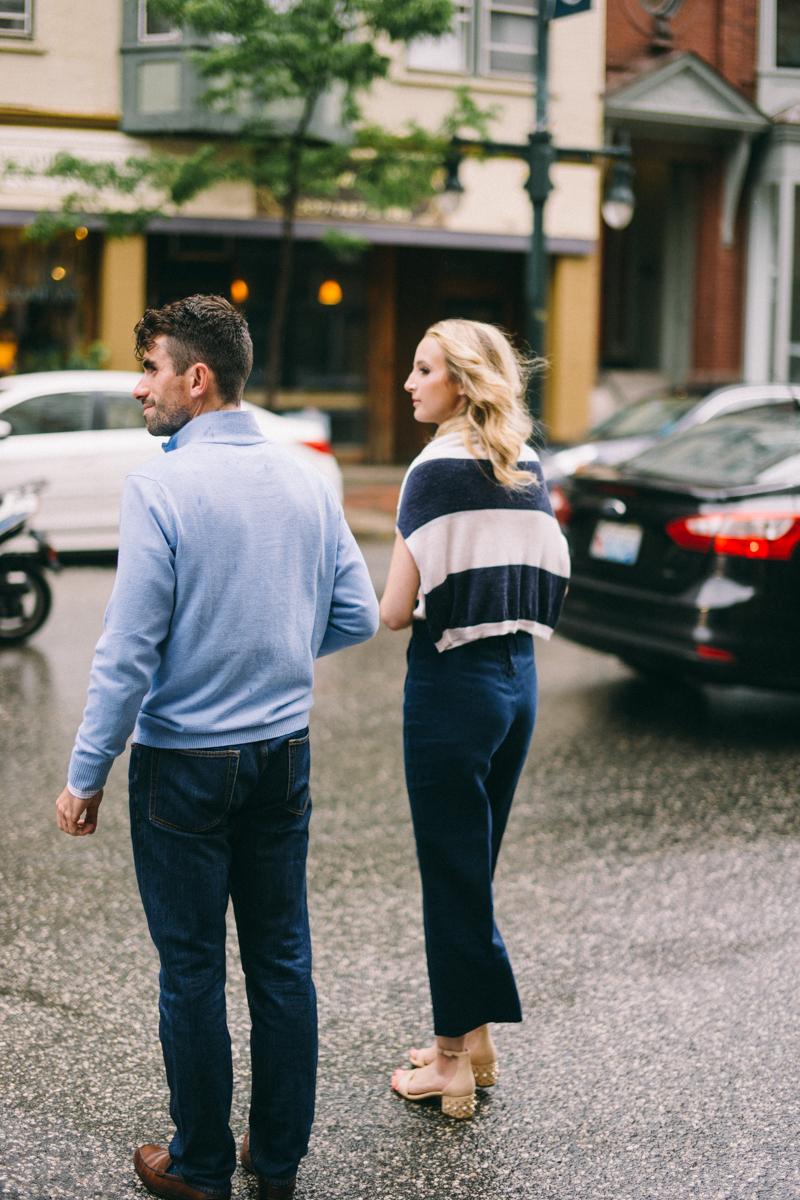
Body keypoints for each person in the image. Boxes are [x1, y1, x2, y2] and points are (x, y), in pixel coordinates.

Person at [54, 295, 379, 1200]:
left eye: (150, 368)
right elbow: (354, 615)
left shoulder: (161, 486)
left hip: (185, 765)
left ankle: (200, 1166)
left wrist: (87, 776)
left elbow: (127, 652)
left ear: (196, 379)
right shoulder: (309, 480)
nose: (138, 387)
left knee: (192, 968)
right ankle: (275, 1160)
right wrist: (267, 644)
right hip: (282, 752)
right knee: (281, 959)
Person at [380, 319, 570, 1119]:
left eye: (423, 371)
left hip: (451, 686)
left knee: (451, 878)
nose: (409, 384)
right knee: (473, 869)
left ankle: (452, 1064)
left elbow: (394, 611)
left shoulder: (430, 471)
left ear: (460, 382)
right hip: (517, 681)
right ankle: (473, 1034)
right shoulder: (524, 461)